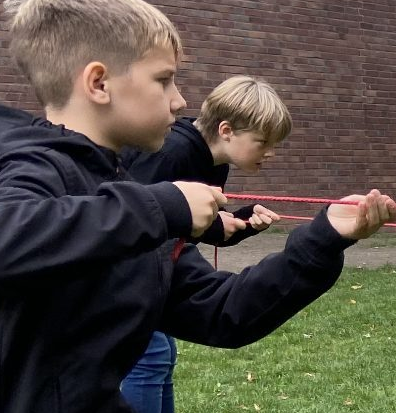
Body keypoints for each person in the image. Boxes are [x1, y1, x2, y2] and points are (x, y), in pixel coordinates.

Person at [0, 0, 396, 413]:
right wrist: (164, 205)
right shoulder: (29, 166)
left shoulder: (126, 199)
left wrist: (324, 238)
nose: (180, 100)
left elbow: (223, 311)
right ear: (99, 83)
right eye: (163, 79)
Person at [116, 75, 293, 412]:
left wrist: (239, 223)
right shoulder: (172, 153)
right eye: (263, 142)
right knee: (150, 357)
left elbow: (195, 226)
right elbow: (131, 220)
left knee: (162, 357)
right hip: (128, 276)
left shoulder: (213, 163)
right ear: (227, 131)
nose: (270, 153)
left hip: (160, 274)